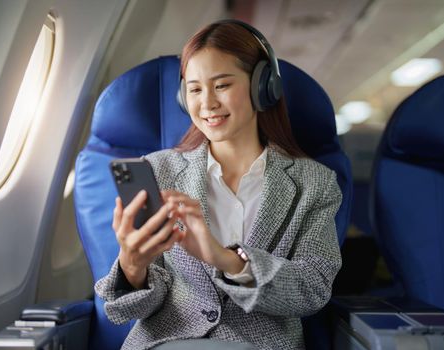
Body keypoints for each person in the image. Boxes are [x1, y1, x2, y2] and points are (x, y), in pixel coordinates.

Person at [95, 20, 342, 350]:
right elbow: (131, 311)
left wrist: (228, 261)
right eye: (195, 90)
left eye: (222, 85)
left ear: (262, 87)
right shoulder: (158, 170)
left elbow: (313, 290)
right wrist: (132, 264)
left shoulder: (315, 183)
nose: (207, 103)